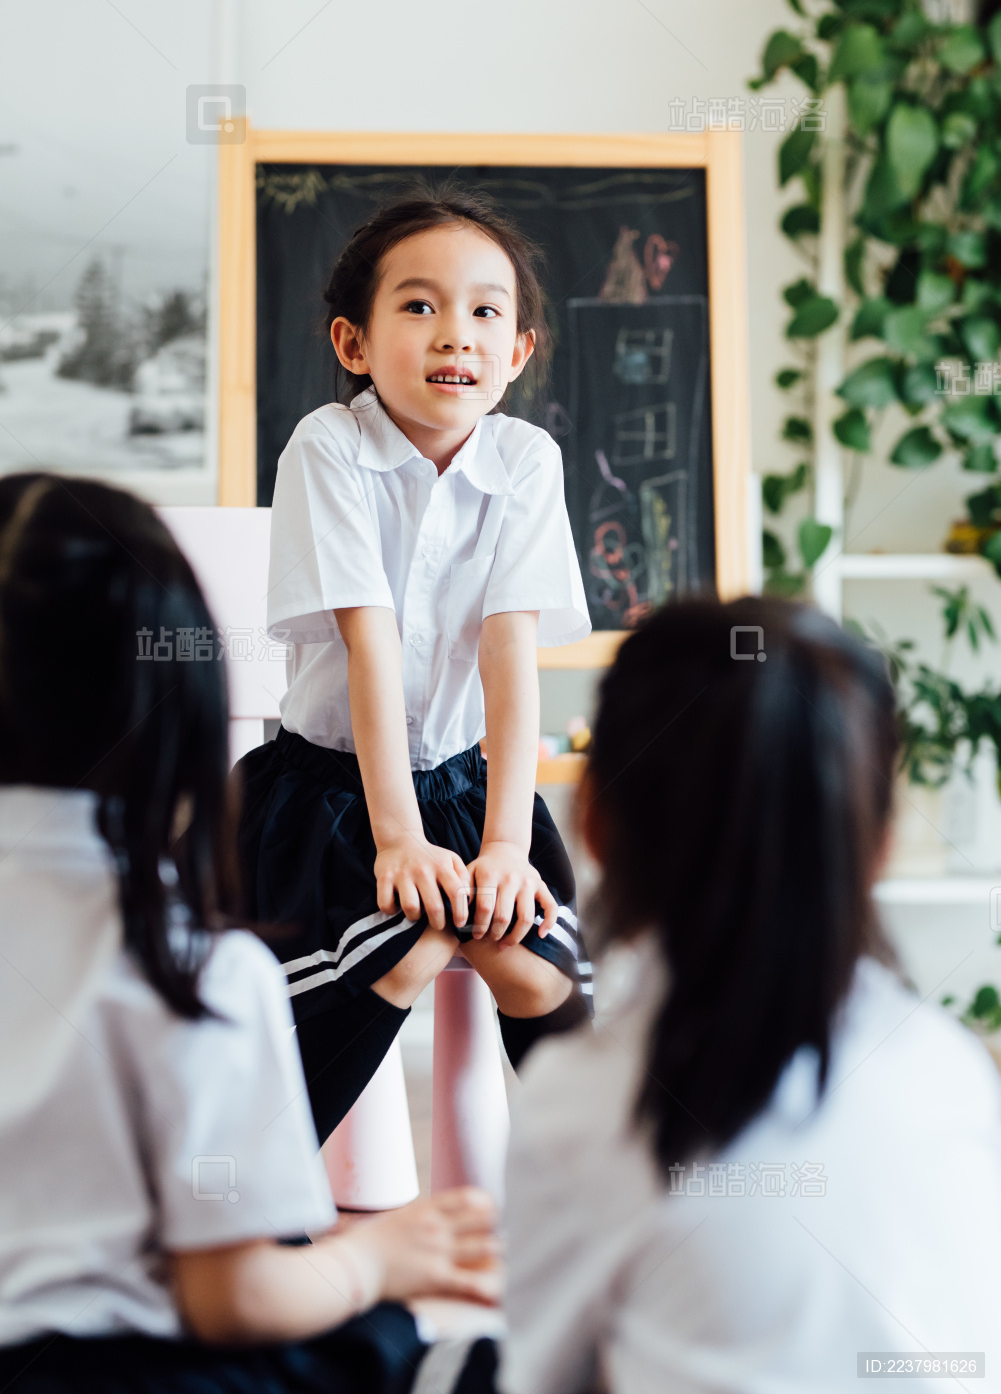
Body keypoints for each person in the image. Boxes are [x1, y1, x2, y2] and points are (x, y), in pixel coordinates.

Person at [0, 473, 500, 1394]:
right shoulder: (191, 964)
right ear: (179, 704)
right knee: (392, 1341)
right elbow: (230, 1297)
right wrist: (374, 1261)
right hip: (101, 1370)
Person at [501, 596, 1001, 1394]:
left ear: (590, 822)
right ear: (878, 843)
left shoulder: (580, 1103)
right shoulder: (951, 1071)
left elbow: (535, 1375)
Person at [238, 183, 592, 1146]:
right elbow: (371, 639)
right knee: (407, 939)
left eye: (485, 312)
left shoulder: (524, 460)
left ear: (517, 353)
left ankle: (618, 1189)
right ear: (354, 345)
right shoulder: (331, 446)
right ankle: (252, 1180)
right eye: (419, 306)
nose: (455, 336)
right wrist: (396, 840)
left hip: (473, 790)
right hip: (331, 798)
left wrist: (507, 849)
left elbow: (508, 653)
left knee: (533, 959)